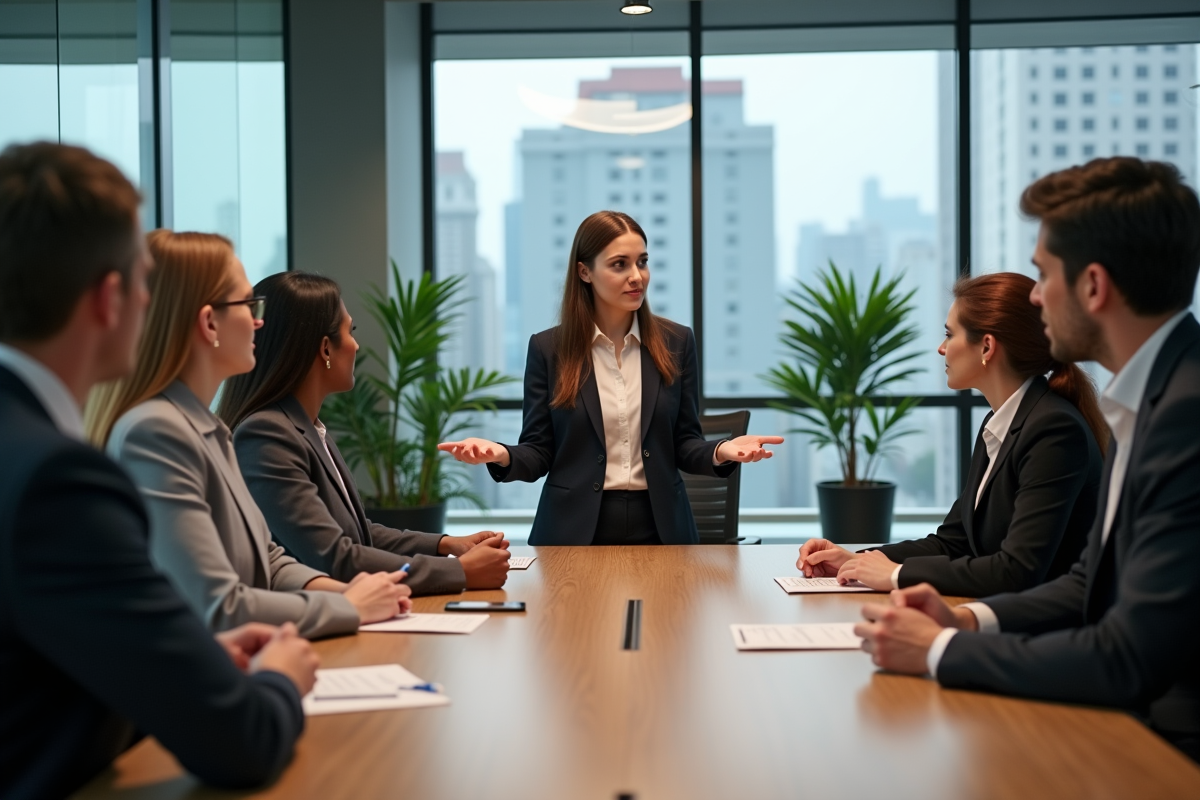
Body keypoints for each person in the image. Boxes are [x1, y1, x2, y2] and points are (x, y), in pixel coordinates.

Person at [854, 157, 1200, 761]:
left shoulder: (1182, 417)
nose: (1034, 296)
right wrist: (964, 622)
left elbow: (1127, 656)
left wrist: (938, 650)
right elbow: (1090, 583)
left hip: (1166, 742)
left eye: (1042, 274)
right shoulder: (1153, 399)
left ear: (1093, 285)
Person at [0, 141, 318, 798]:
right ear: (110, 299)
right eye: (145, 282)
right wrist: (279, 677)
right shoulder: (57, 482)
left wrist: (190, 668)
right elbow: (240, 742)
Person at [88, 230, 410, 639]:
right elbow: (219, 605)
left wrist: (354, 593)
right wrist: (348, 606)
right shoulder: (155, 432)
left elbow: (269, 561)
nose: (260, 321)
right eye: (248, 305)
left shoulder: (208, 429)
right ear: (209, 323)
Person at [439, 210, 783, 545]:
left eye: (643, 262)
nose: (637, 276)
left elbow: (685, 444)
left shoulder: (677, 342)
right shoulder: (548, 348)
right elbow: (540, 451)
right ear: (585, 272)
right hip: (573, 531)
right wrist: (501, 454)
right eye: (620, 264)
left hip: (662, 530)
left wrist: (722, 450)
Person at [797, 272, 1105, 596]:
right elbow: (953, 542)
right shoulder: (1000, 422)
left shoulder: (1053, 430)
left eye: (949, 335)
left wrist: (896, 575)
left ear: (986, 346)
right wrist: (857, 560)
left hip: (1047, 634)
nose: (941, 349)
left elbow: (1017, 571)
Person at [216, 271, 511, 594]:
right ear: (326, 349)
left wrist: (447, 543)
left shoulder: (307, 428)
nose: (356, 344)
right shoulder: (267, 434)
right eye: (350, 331)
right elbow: (337, 559)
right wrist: (458, 572)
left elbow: (359, 533)